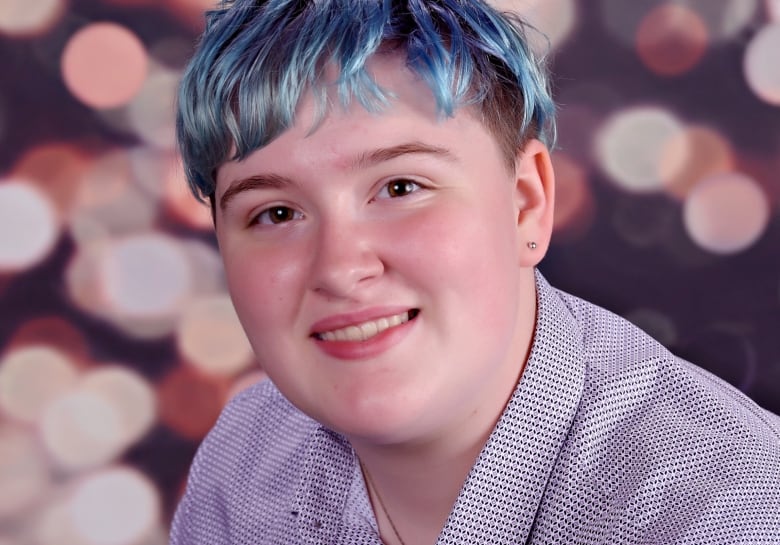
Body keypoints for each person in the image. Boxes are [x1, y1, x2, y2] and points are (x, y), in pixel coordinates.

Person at [169, 1, 780, 543]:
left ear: (525, 201)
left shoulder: (728, 511)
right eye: (275, 213)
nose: (340, 267)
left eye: (401, 186)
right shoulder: (244, 458)